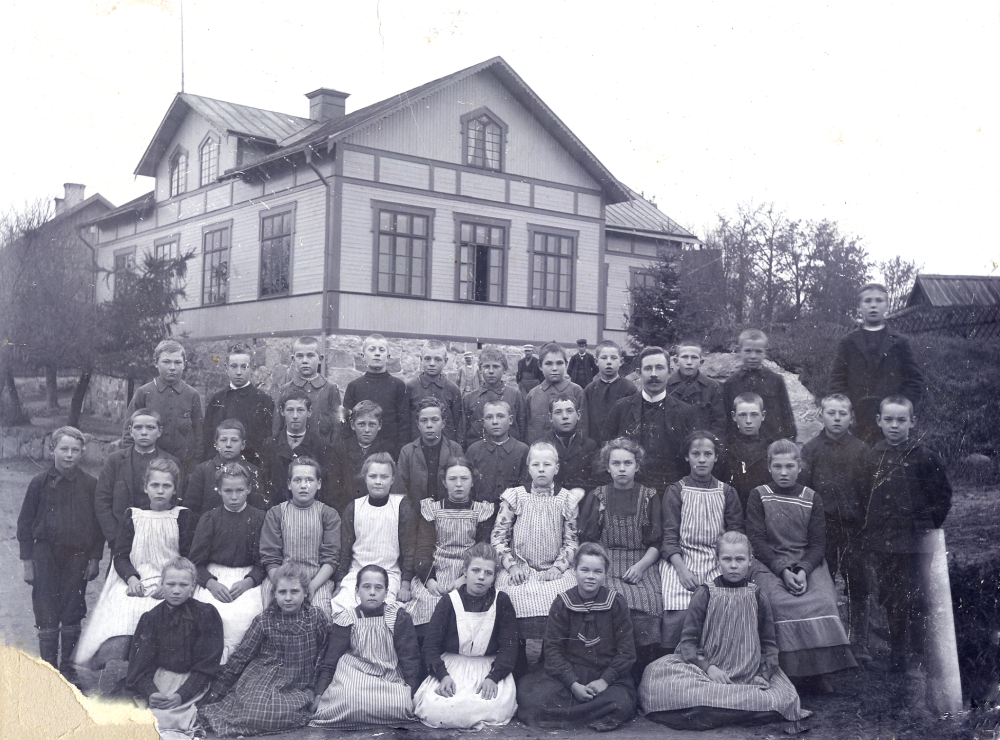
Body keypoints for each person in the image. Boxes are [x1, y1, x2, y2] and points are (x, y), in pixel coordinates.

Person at [639, 532, 810, 730]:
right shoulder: (705, 593)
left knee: (783, 698)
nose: (734, 565)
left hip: (747, 673)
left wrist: (763, 675)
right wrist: (709, 667)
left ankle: (710, 709)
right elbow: (688, 642)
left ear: (750, 561)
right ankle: (733, 708)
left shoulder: (758, 596)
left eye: (740, 559)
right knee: (653, 677)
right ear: (717, 560)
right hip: (706, 672)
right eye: (727, 559)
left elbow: (769, 644)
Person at [747, 440, 857, 693]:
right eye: (777, 466)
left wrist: (804, 571)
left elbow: (819, 543)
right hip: (769, 562)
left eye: (789, 466)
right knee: (776, 602)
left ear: (799, 467)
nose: (783, 472)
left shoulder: (811, 498)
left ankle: (818, 672)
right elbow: (757, 540)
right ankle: (786, 672)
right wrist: (783, 571)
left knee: (822, 600)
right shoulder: (759, 495)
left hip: (807, 562)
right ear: (769, 467)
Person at [76, 458, 197, 671]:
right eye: (155, 485)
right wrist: (131, 578)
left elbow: (187, 557)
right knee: (125, 605)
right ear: (145, 487)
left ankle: (153, 668)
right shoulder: (133, 516)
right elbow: (121, 555)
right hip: (136, 578)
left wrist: (169, 585)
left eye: (166, 486)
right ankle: (126, 665)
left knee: (161, 609)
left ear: (174, 489)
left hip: (170, 580)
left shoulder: (182, 516)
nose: (160, 491)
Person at [861, 395, 951, 674]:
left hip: (917, 542)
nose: (894, 425)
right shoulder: (872, 457)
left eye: (901, 420)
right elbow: (865, 496)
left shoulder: (925, 457)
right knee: (891, 595)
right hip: (886, 542)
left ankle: (921, 652)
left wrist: (925, 525)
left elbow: (942, 497)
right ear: (879, 422)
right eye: (888, 419)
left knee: (919, 595)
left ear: (912, 422)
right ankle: (898, 652)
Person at [197, 563, 332, 737]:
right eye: (282, 592)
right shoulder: (265, 620)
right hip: (265, 677)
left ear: (306, 592)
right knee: (257, 709)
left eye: (295, 591)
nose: (288, 598)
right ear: (274, 594)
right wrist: (217, 690)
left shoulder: (315, 617)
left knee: (276, 713)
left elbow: (323, 652)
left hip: (297, 683)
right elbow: (242, 656)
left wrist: (316, 688)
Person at [517, 542, 637, 732]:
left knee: (622, 702)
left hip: (603, 673)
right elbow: (552, 650)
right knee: (531, 699)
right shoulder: (562, 603)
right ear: (574, 571)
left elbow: (627, 652)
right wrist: (573, 685)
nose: (590, 576)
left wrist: (605, 681)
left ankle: (580, 713)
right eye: (585, 570)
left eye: (598, 571)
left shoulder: (616, 603)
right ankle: (591, 714)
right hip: (568, 675)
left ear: (605, 574)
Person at [17, 426, 104, 679]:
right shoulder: (38, 483)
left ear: (82, 452)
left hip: (77, 557)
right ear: (52, 449)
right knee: (45, 607)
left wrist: (95, 558)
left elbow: (98, 527)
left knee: (72, 607)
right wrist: (27, 563)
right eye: (64, 449)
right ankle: (48, 670)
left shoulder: (90, 484)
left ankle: (67, 668)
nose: (69, 455)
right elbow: (24, 524)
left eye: (75, 450)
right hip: (44, 555)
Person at [799, 394, 873, 662]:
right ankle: (830, 640)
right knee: (823, 581)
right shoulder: (810, 450)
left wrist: (865, 524)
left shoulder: (862, 450)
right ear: (821, 415)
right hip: (823, 527)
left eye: (843, 413)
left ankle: (860, 642)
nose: (837, 418)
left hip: (855, 527)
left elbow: (868, 492)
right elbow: (805, 491)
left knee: (858, 581)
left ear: (851, 417)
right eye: (831, 413)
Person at [577, 438, 662, 665]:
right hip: (605, 561)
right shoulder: (598, 496)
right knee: (606, 601)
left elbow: (657, 543)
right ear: (608, 467)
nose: (622, 469)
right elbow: (588, 541)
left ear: (637, 466)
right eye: (616, 463)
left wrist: (641, 567)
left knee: (651, 602)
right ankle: (607, 662)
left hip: (642, 561)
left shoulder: (650, 496)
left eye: (628, 463)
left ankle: (642, 665)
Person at [414, 543, 518, 729]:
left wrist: (494, 678)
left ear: (494, 576)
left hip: (488, 669)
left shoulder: (501, 601)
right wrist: (443, 676)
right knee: (436, 707)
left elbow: (509, 647)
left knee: (492, 706)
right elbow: (430, 645)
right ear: (465, 571)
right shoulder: (449, 601)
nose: (481, 577)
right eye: (476, 570)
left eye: (488, 573)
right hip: (452, 668)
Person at [659, 431, 744, 652]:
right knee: (679, 608)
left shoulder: (727, 492)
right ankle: (674, 658)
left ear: (716, 457)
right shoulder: (676, 491)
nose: (702, 459)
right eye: (696, 454)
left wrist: (725, 565)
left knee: (720, 605)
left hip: (717, 561)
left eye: (708, 454)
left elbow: (736, 536)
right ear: (687, 457)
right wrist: (682, 571)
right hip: (681, 560)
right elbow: (669, 538)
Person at [309, 564, 421, 729]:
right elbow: (331, 660)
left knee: (399, 704)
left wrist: (413, 693)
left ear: (386, 592)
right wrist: (319, 693)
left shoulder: (397, 616)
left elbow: (410, 658)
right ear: (357, 591)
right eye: (366, 587)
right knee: (350, 700)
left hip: (387, 676)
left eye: (378, 587)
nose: (372, 592)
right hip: (354, 676)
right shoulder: (347, 618)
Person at [491, 441, 581, 644]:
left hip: (554, 569)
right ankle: (518, 655)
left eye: (547, 465)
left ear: (556, 468)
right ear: (528, 467)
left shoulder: (567, 499)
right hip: (519, 568)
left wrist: (559, 568)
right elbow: (498, 537)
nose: (541, 469)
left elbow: (571, 541)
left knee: (565, 599)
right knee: (509, 596)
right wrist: (511, 566)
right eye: (536, 465)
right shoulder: (514, 496)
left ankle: (549, 657)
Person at [125, 558, 224, 739]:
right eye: (170, 584)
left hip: (193, 680)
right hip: (161, 677)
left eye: (183, 585)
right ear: (161, 584)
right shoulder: (152, 618)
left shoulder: (206, 614)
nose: (176, 590)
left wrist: (182, 694)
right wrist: (151, 692)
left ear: (193, 586)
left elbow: (206, 664)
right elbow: (140, 665)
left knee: (172, 719)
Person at [189, 462, 266, 662]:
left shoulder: (259, 519)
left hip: (247, 578)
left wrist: (248, 581)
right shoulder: (210, 519)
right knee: (211, 615)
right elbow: (195, 563)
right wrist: (210, 583)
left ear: (248, 489)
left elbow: (263, 561)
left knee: (247, 616)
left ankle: (236, 669)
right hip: (214, 577)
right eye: (228, 491)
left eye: (239, 490)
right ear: (219, 490)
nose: (234, 497)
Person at [829, 283, 925, 445]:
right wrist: (848, 412)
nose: (873, 305)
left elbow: (915, 381)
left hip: (890, 423)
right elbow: (837, 382)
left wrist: (897, 408)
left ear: (887, 305)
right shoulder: (848, 342)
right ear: (859, 306)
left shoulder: (900, 342)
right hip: (857, 421)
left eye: (879, 300)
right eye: (867, 301)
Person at [407, 458, 495, 627]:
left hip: (469, 570)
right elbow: (423, 550)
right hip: (437, 570)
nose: (459, 484)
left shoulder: (481, 511)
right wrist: (430, 581)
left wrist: (464, 578)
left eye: (464, 479)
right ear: (444, 482)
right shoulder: (432, 510)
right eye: (452, 479)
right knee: (428, 601)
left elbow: (482, 550)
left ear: (472, 482)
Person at [603, 345, 697, 492]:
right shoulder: (621, 408)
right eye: (648, 369)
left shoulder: (685, 412)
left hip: (670, 493)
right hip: (629, 493)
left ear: (670, 371)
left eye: (659, 368)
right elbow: (606, 454)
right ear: (639, 373)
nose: (654, 374)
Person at [333, 453, 417, 611]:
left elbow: (409, 550)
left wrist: (405, 584)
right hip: (356, 573)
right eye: (373, 476)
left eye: (384, 477)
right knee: (342, 607)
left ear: (392, 479)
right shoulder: (354, 507)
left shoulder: (401, 506)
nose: (378, 482)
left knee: (388, 610)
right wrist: (339, 583)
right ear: (365, 478)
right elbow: (345, 550)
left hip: (389, 574)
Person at [259, 457, 341, 617]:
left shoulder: (328, 514)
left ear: (319, 484)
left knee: (320, 615)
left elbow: (331, 558)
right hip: (280, 579)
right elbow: (270, 557)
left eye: (309, 480)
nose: (304, 485)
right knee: (271, 616)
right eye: (298, 480)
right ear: (289, 484)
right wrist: (282, 585)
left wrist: (312, 586)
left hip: (317, 580)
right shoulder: (276, 513)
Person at [96, 409, 182, 549]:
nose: (144, 432)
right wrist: (114, 537)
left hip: (159, 535)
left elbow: (177, 499)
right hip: (122, 536)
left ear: (159, 431)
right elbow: (102, 500)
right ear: (130, 431)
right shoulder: (116, 460)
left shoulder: (171, 462)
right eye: (138, 427)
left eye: (150, 428)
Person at [122, 339, 203, 476]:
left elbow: (199, 436)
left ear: (184, 365)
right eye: (166, 362)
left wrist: (193, 467)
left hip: (183, 469)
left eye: (177, 362)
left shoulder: (192, 395)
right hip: (148, 468)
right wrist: (134, 463)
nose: (172, 367)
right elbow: (128, 433)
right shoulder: (143, 393)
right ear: (156, 363)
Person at [203, 342, 273, 466]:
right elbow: (208, 439)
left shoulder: (264, 400)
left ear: (252, 368)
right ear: (226, 368)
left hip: (252, 467)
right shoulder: (217, 399)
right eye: (234, 366)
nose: (238, 372)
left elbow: (268, 441)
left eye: (244, 367)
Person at [258, 388, 331, 508]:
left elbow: (326, 488)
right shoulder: (270, 445)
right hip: (277, 510)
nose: (295, 416)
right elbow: (264, 485)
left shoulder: (321, 446)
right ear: (282, 411)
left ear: (309, 412)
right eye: (290, 410)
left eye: (300, 410)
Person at [722, 330, 796, 445]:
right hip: (741, 446)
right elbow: (726, 421)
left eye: (758, 351)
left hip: (771, 445)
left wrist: (789, 444)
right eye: (748, 351)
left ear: (765, 353)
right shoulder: (730, 383)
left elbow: (787, 417)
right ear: (739, 351)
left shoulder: (776, 380)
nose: (753, 356)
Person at [341, 333, 409, 456]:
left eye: (381, 350)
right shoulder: (354, 386)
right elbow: (346, 422)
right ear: (363, 356)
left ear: (388, 357)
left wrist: (399, 451)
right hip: (359, 452)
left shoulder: (398, 385)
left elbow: (404, 423)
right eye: (372, 349)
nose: (377, 353)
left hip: (390, 451)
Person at [465, 401, 529, 526]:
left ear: (510, 420)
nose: (495, 421)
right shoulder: (474, 450)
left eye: (500, 416)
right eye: (489, 417)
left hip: (513, 519)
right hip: (481, 520)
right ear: (483, 422)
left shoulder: (522, 450)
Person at [183, 419, 263, 519]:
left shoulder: (252, 470)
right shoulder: (203, 470)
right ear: (216, 445)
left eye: (234, 440)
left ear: (243, 445)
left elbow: (258, 507)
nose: (228, 445)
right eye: (223, 440)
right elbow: (191, 509)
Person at [328, 400, 396, 513]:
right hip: (346, 510)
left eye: (372, 424)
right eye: (361, 424)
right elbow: (333, 487)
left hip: (379, 511)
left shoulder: (388, 449)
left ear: (380, 425)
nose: (367, 430)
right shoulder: (340, 449)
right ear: (352, 425)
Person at [272, 335, 342, 444]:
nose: (305, 361)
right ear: (293, 360)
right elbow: (277, 425)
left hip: (321, 451)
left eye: (310, 356)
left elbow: (337, 426)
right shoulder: (285, 389)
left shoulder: (330, 389)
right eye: (300, 356)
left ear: (320, 359)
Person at [397, 397, 464, 507]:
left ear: (443, 423)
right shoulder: (407, 451)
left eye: (435, 420)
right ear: (418, 424)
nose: (429, 425)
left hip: (448, 513)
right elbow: (401, 489)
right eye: (424, 420)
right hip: (416, 515)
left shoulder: (455, 449)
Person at [461, 345, 527, 446]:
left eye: (496, 366)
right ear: (480, 369)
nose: (491, 371)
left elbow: (522, 429)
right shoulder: (469, 398)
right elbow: (463, 432)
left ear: (504, 369)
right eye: (486, 367)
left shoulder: (515, 395)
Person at [717, 393, 772, 511]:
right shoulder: (723, 447)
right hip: (731, 510)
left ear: (763, 415)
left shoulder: (772, 446)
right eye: (742, 415)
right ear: (733, 416)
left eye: (754, 415)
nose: (748, 421)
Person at [537, 395, 600, 493]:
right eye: (558, 412)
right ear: (550, 417)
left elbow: (597, 482)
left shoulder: (590, 446)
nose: (565, 417)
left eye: (570, 411)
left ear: (578, 415)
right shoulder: (540, 446)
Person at [525, 342, 585, 443]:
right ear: (540, 366)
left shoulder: (576, 391)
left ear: (566, 364)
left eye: (559, 363)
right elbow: (527, 428)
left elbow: (583, 426)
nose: (554, 368)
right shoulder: (532, 394)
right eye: (548, 363)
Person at [580, 340, 636, 445]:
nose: (609, 362)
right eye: (604, 358)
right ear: (596, 361)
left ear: (621, 361)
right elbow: (584, 421)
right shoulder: (590, 389)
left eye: (614, 358)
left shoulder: (629, 388)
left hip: (620, 446)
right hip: (594, 445)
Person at [666, 340, 726, 439]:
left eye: (694, 357)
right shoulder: (667, 386)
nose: (689, 362)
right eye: (685, 357)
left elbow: (719, 422)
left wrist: (708, 443)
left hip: (703, 445)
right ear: (676, 361)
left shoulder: (712, 387)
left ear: (701, 362)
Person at [406, 339, 462, 442]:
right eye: (427, 359)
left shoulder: (453, 390)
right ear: (421, 359)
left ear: (445, 361)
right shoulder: (410, 387)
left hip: (446, 448)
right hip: (417, 447)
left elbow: (457, 424)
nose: (432, 363)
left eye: (437, 359)